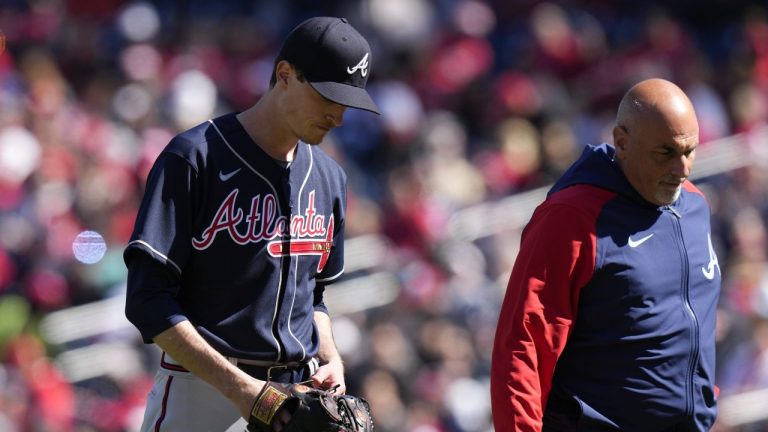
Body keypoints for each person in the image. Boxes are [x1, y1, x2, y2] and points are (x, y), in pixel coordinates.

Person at [123, 16, 379, 431]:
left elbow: (313, 296)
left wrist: (330, 354)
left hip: (297, 396)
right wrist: (241, 389)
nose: (338, 117)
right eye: (327, 97)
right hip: (203, 389)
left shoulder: (330, 178)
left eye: (346, 103)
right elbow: (147, 301)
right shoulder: (195, 158)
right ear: (284, 75)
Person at [490, 78, 721, 431]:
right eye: (666, 153)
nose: (683, 168)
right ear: (622, 142)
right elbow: (523, 346)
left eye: (690, 151)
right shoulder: (572, 217)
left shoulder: (695, 206)